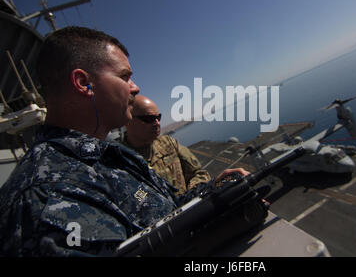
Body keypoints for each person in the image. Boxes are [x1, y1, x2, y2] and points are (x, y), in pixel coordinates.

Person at [0, 26, 249, 256]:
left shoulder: (111, 155)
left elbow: (170, 210)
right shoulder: (46, 194)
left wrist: (213, 191)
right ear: (84, 83)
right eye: (125, 76)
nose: (135, 88)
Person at [123, 95, 211, 195]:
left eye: (158, 117)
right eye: (149, 118)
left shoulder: (168, 143)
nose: (157, 123)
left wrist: (191, 194)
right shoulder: (121, 160)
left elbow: (199, 173)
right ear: (128, 120)